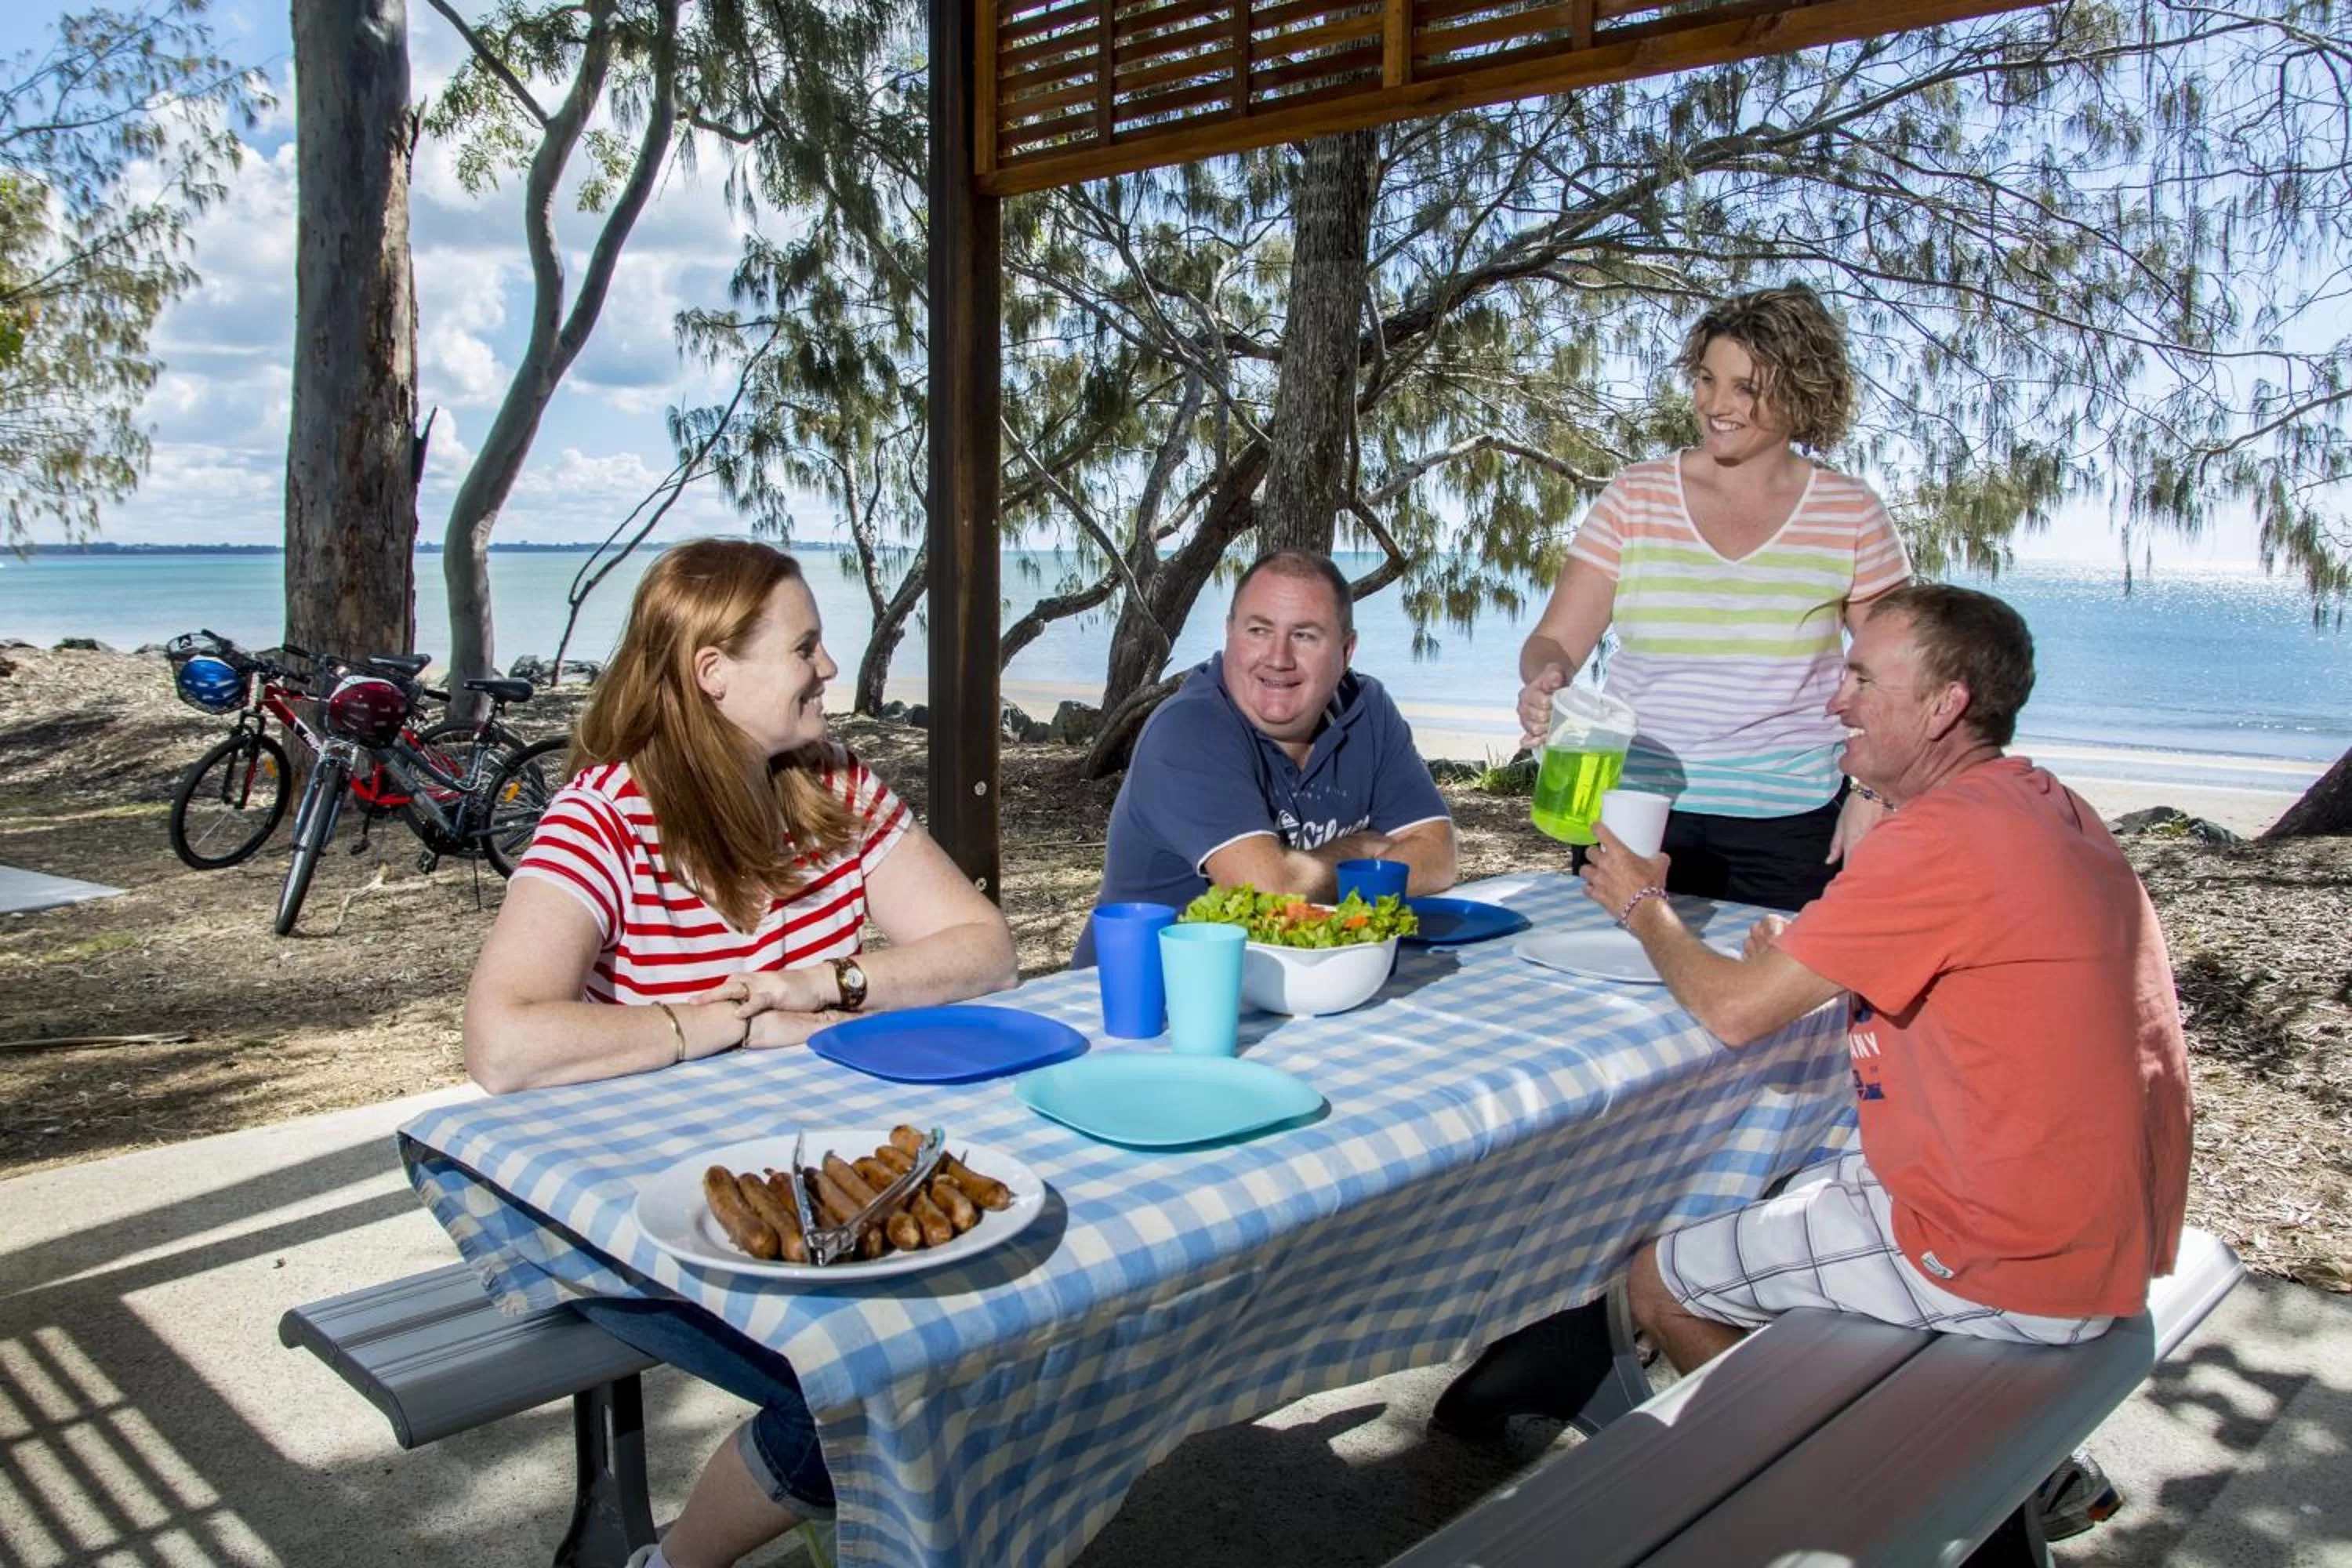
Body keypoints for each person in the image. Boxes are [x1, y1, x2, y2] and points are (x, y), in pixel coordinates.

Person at [1573, 583, 2191, 1537]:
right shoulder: (2040, 803)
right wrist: (1816, 954)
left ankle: (1817, 1504)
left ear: (1944, 706)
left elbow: (1737, 1013)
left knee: (1657, 1276)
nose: (1836, 697)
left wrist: (1640, 905)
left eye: (1863, 675)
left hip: (2010, 1257)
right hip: (2103, 1230)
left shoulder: (1941, 836)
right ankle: (1966, 1460)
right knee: (1780, 1180)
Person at [465, 538, 1018, 1568]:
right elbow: (503, 1043)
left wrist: (832, 983)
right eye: (805, 646)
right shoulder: (605, 820)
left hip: (825, 1194)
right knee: (874, 1381)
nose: (826, 667)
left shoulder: (837, 789)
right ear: (713, 674)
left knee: (997, 1333)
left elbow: (985, 951)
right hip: (643, 1222)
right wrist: (719, 1019)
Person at [1514, 283, 1914, 912]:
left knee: (1776, 1006)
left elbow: (1899, 674)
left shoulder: (1851, 512)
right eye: (1706, 380)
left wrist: (1876, 793)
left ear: (1803, 394)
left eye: (1745, 387)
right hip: (1633, 811)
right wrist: (1546, 680)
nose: (1716, 405)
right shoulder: (1635, 496)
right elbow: (1554, 640)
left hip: (1791, 822)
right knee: (1617, 997)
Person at [1079, 549, 1457, 961]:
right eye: (1259, 631)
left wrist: (1310, 876)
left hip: (1296, 982)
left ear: (1346, 651)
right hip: (1145, 998)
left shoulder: (1367, 710)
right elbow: (1267, 890)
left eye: (1305, 635)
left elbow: (1438, 856)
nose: (1278, 659)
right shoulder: (1189, 728)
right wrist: (1362, 854)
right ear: (1229, 634)